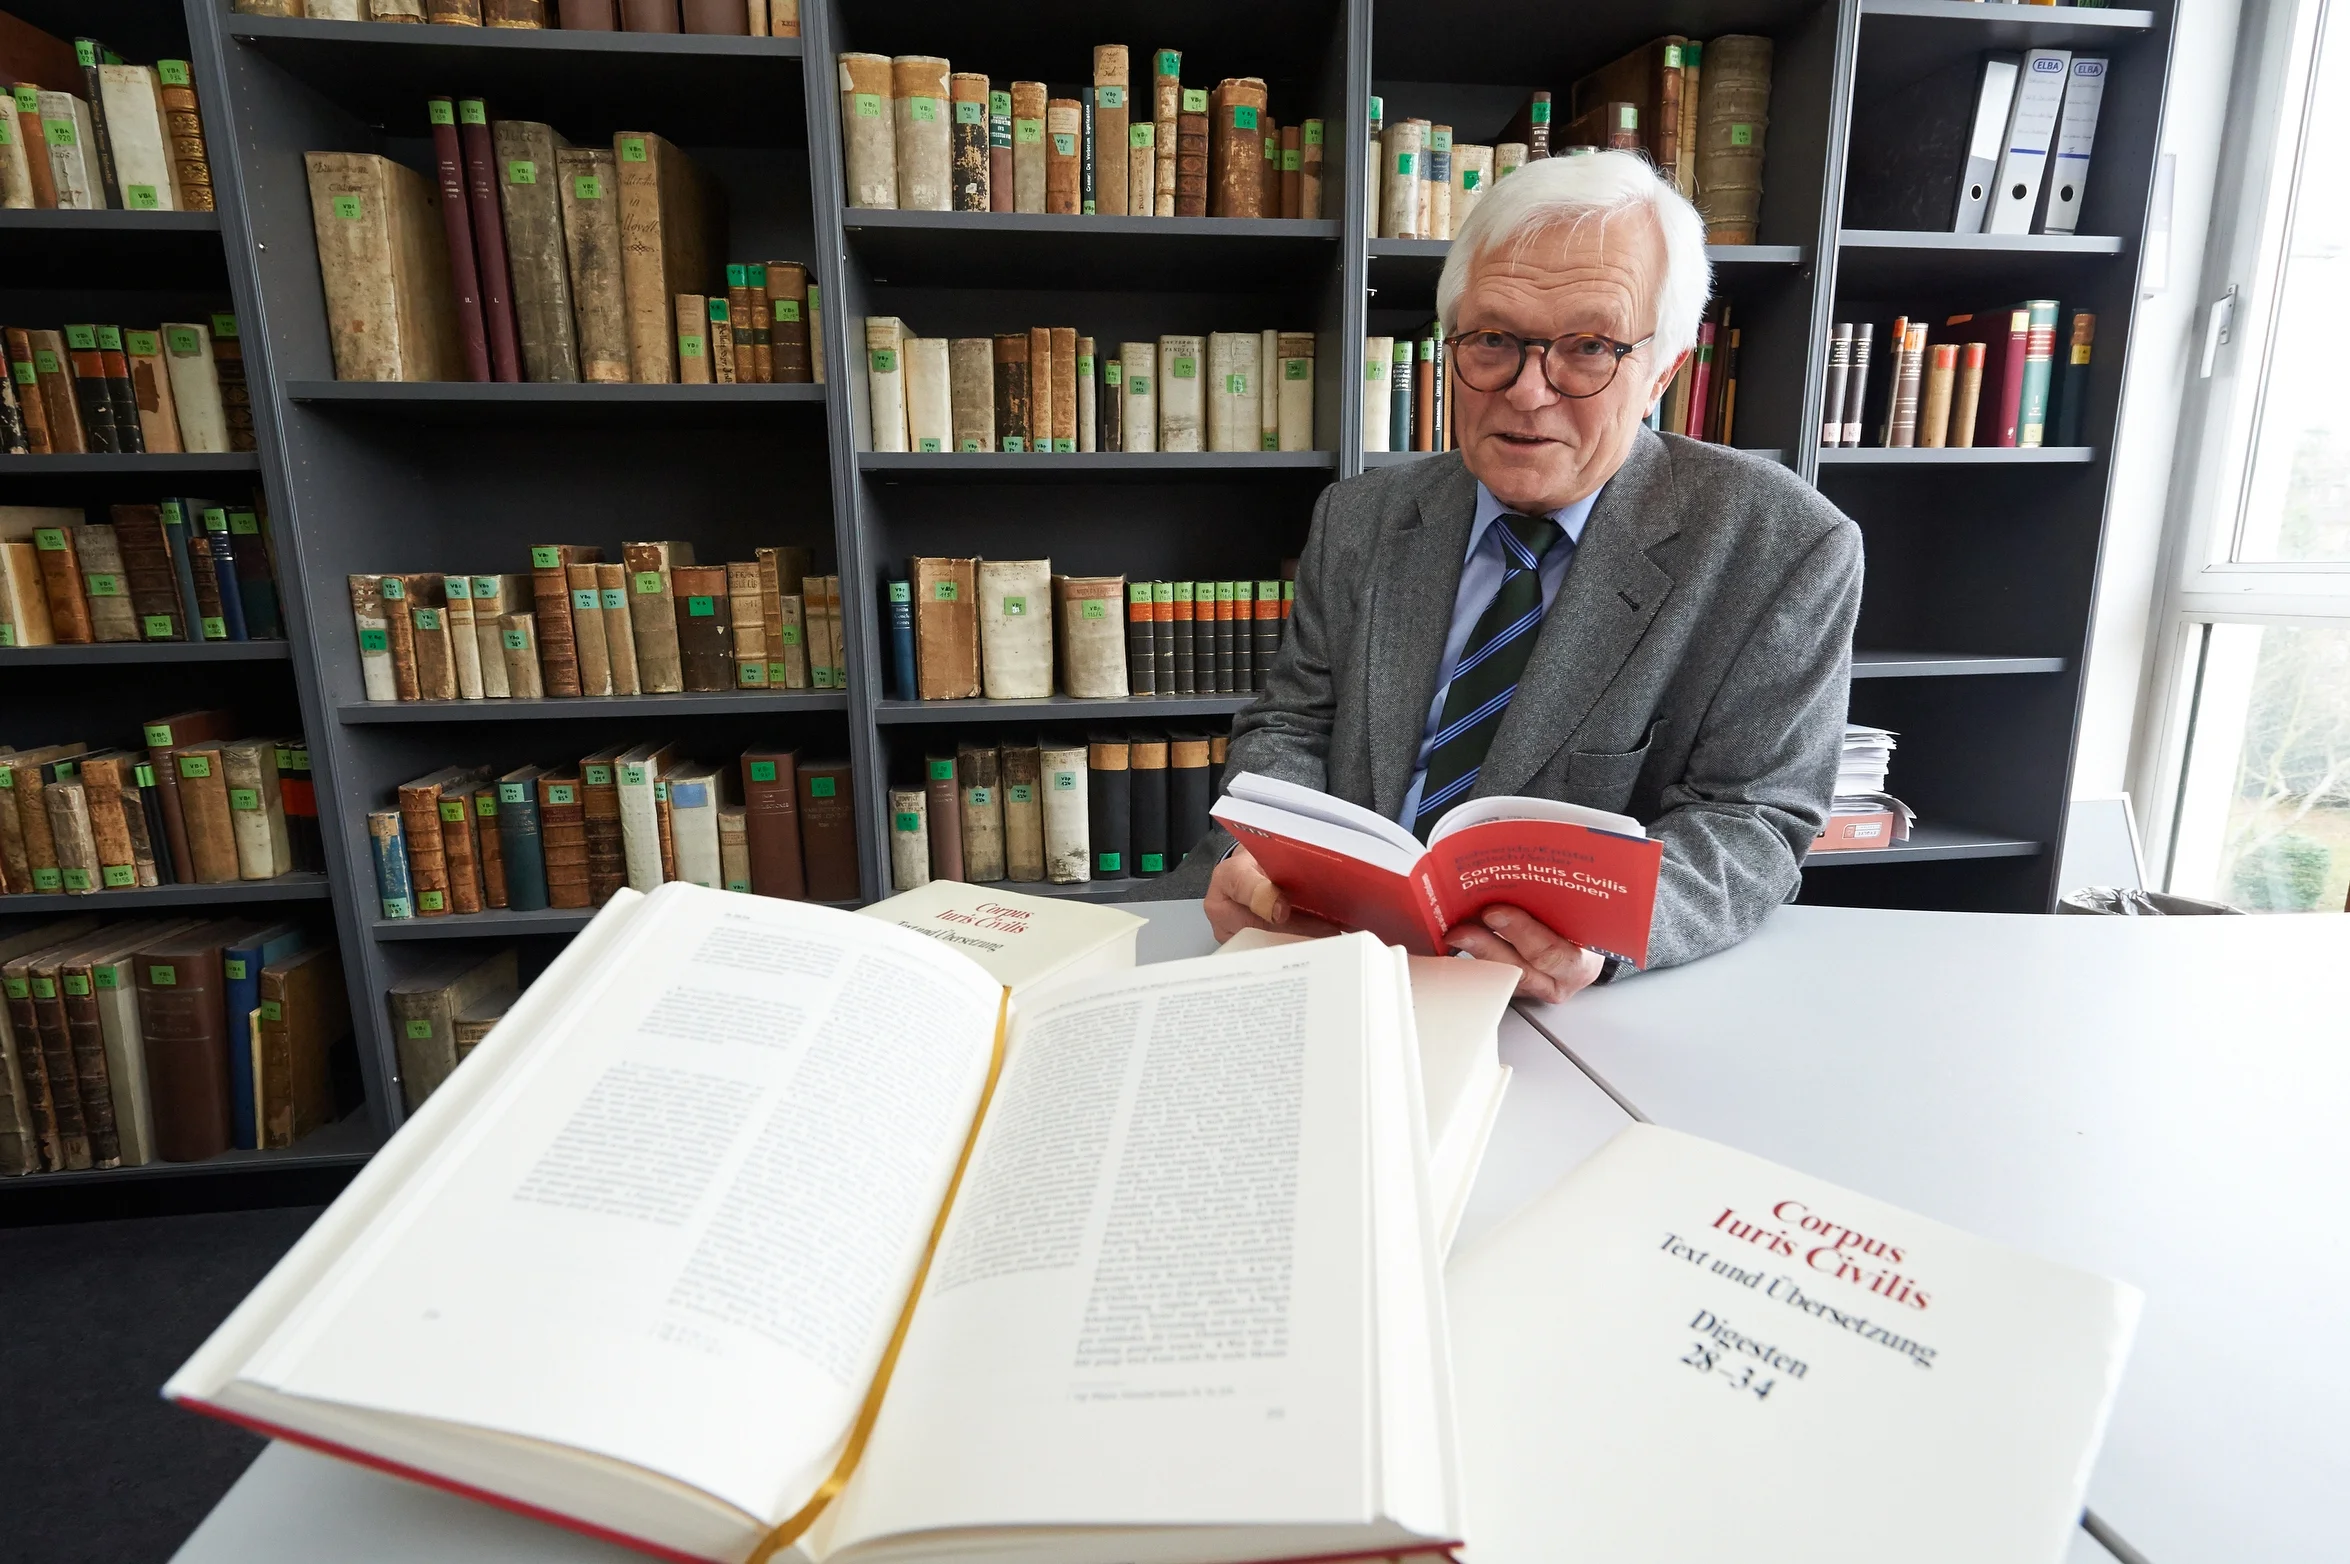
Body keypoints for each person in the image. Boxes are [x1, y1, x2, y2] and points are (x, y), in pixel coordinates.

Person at [1171, 150, 1864, 1002]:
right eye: (1494, 340)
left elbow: (1753, 817)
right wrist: (1259, 852)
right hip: (1320, 954)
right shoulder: (1361, 517)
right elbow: (1292, 723)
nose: (1529, 393)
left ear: (1664, 370)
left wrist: (1602, 940)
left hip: (1563, 1006)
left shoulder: (1784, 547)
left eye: (1589, 348)